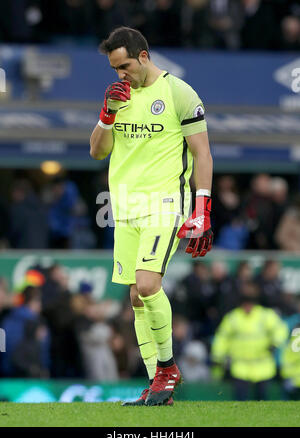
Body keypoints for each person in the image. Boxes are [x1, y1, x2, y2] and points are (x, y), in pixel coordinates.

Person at [90, 26, 213, 406]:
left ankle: (168, 368)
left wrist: (202, 208)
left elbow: (202, 154)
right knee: (135, 298)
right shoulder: (117, 97)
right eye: (114, 69)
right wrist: (107, 114)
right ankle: (157, 385)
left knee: (147, 285)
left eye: (124, 66)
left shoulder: (178, 92)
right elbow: (97, 152)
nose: (120, 74)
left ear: (143, 56)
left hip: (164, 204)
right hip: (123, 208)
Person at [211, 281, 289, 401]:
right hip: (240, 366)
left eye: (249, 303)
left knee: (262, 401)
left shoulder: (264, 315)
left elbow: (280, 329)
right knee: (240, 401)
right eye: (245, 303)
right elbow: (222, 338)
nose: (247, 306)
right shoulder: (233, 317)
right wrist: (217, 357)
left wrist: (275, 343)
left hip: (263, 366)